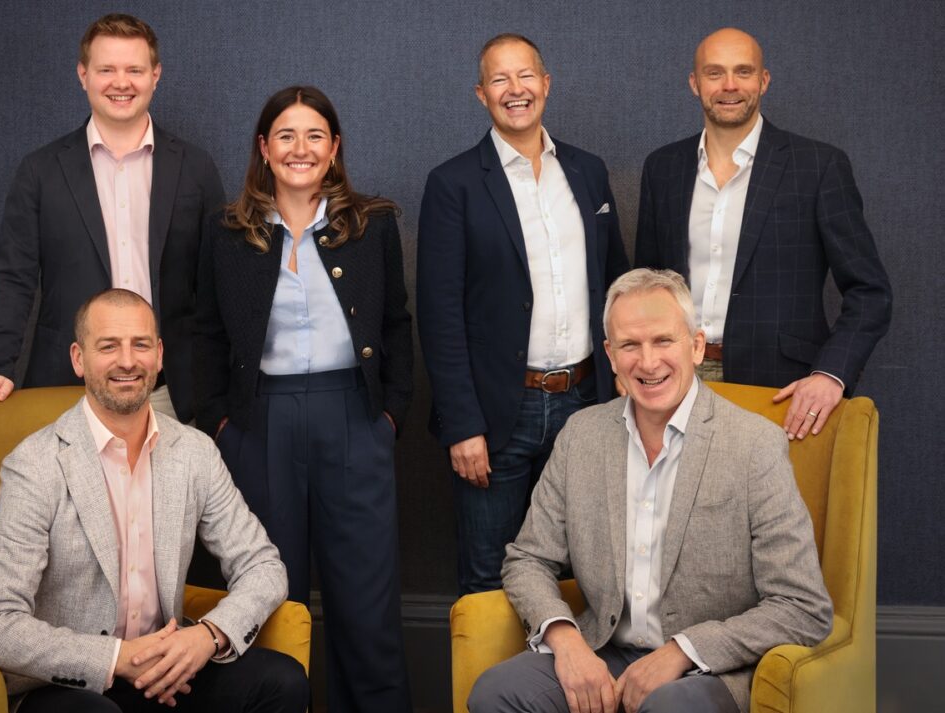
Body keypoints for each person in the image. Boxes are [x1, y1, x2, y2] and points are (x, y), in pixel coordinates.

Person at [468, 268, 832, 713]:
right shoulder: (581, 435)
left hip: (704, 671)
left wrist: (681, 651)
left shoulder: (753, 445)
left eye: (663, 341)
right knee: (495, 693)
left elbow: (802, 605)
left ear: (696, 346)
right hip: (602, 649)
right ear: (610, 355)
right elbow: (528, 559)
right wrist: (565, 641)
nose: (648, 361)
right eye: (629, 345)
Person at [0, 288, 309, 713]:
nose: (127, 361)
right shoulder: (35, 465)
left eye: (140, 344)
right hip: (71, 685)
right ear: (78, 358)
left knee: (283, 682)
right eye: (108, 346)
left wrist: (207, 636)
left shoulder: (195, 452)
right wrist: (116, 659)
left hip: (168, 671)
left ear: (159, 354)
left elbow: (263, 566)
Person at [194, 86, 413, 712]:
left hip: (354, 417)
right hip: (259, 422)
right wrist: (221, 422)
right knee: (270, 594)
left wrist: (389, 416)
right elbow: (203, 330)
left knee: (365, 601)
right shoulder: (226, 232)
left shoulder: (371, 225)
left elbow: (397, 323)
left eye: (315, 135)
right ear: (263, 148)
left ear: (335, 147)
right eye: (285, 135)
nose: (300, 148)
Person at [417, 33, 629, 594]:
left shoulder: (587, 172)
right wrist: (463, 426)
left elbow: (617, 286)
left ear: (546, 84)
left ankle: (570, 685)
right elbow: (439, 316)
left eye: (526, 75)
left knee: (585, 573)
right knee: (492, 576)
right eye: (500, 79)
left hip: (587, 404)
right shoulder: (453, 184)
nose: (516, 89)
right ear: (481, 93)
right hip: (495, 417)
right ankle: (495, 687)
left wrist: (626, 384)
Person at [0, 13, 225, 422]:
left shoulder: (196, 169)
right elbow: (12, 278)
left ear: (155, 75)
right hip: (66, 390)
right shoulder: (40, 171)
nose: (121, 82)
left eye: (134, 69)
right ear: (83, 75)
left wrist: (219, 394)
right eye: (106, 69)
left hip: (171, 395)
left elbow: (216, 288)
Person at [635, 27, 891, 442]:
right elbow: (645, 287)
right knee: (678, 506)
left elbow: (871, 292)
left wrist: (831, 374)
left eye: (743, 72)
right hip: (674, 382)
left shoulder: (818, 166)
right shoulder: (663, 168)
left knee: (767, 508)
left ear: (764, 81)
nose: (730, 85)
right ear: (694, 83)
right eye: (715, 73)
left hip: (780, 390)